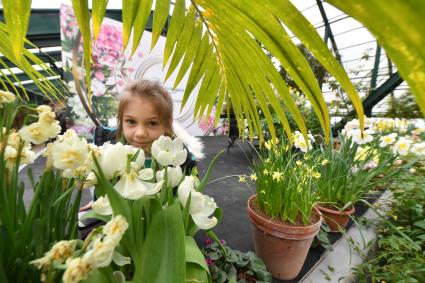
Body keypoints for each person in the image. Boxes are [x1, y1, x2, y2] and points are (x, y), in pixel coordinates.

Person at [79, 79, 202, 236]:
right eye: (131, 122)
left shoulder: (179, 157)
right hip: (122, 225)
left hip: (161, 224)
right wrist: (100, 202)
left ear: (167, 124)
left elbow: (188, 191)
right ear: (121, 121)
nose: (140, 133)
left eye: (152, 123)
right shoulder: (111, 152)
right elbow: (103, 187)